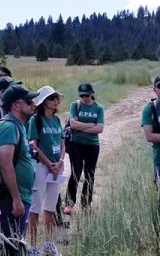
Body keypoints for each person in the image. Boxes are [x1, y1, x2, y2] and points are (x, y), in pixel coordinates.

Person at [0, 84, 39, 256]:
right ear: (15, 105)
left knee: (15, 244)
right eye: (28, 101)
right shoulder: (9, 126)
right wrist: (16, 198)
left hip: (20, 196)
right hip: (10, 200)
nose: (33, 104)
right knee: (8, 246)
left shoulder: (19, 125)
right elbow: (5, 163)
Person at [27, 86, 65, 256]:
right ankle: (33, 246)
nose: (56, 101)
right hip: (42, 167)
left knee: (50, 207)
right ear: (43, 102)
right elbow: (33, 144)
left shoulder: (56, 120)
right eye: (52, 98)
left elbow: (63, 142)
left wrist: (61, 162)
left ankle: (48, 243)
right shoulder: (36, 120)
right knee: (35, 207)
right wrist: (49, 163)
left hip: (56, 168)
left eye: (56, 97)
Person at [63, 83, 104, 214]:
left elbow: (100, 128)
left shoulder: (98, 108)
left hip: (92, 145)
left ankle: (86, 203)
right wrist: (91, 125)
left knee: (90, 174)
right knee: (76, 172)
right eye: (82, 95)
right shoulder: (75, 105)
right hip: (76, 144)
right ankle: (69, 203)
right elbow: (73, 124)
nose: (84, 97)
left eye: (87, 95)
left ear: (92, 93)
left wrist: (82, 126)